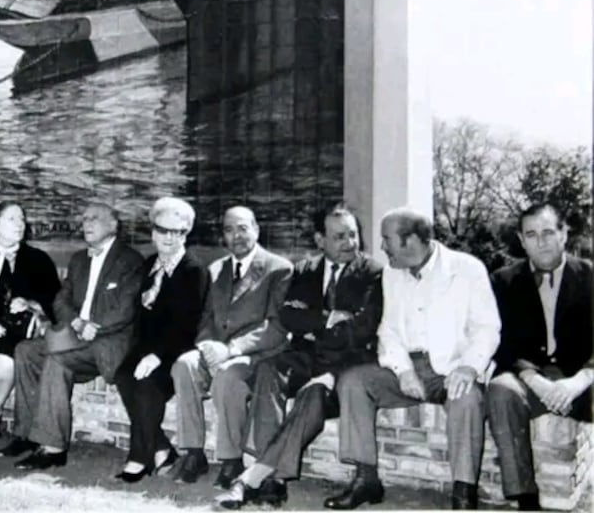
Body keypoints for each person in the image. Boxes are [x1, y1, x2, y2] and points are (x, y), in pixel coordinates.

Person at [323, 208, 500, 510]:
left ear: (411, 241)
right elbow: (389, 329)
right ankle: (366, 480)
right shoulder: (392, 273)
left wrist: (469, 367)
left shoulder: (467, 269)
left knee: (467, 399)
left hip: (453, 368)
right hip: (407, 367)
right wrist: (403, 370)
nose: (382, 247)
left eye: (387, 239)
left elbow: (487, 328)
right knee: (353, 381)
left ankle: (463, 493)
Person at [217, 202, 383, 509]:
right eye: (339, 236)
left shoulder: (371, 273)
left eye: (353, 234)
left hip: (344, 365)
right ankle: (270, 478)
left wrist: (313, 328)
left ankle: (260, 478)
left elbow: (361, 330)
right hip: (305, 358)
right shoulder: (305, 270)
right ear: (320, 240)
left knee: (313, 393)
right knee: (269, 370)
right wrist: (328, 319)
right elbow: (288, 316)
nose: (350, 242)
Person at [1, 204, 144, 469]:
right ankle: (27, 435)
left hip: (106, 342)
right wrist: (77, 322)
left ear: (113, 226)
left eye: (95, 218)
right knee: (26, 351)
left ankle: (53, 448)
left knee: (57, 361)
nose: (87, 223)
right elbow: (60, 301)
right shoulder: (79, 259)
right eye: (85, 218)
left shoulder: (131, 261)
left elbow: (126, 309)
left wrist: (95, 327)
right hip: (75, 334)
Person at [169, 206, 293, 487]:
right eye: (228, 230)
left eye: (242, 228)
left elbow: (277, 327)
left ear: (256, 230)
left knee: (227, 376)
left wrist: (232, 349)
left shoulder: (279, 269)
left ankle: (231, 459)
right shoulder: (217, 269)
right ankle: (193, 453)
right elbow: (206, 319)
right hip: (219, 350)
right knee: (184, 365)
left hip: (256, 356)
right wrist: (207, 346)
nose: (236, 236)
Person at [487, 203, 593, 511]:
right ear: (522, 240)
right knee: (501, 390)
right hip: (531, 377)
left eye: (548, 232)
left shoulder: (589, 276)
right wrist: (534, 380)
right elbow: (502, 343)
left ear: (564, 234)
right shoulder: (503, 281)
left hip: (582, 378)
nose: (541, 242)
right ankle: (525, 497)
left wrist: (579, 381)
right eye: (531, 235)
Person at [112, 198, 209, 482]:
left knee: (147, 385)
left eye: (177, 232)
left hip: (177, 351)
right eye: (163, 230)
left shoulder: (194, 270)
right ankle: (162, 448)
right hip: (147, 348)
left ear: (185, 234)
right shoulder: (149, 265)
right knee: (123, 376)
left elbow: (187, 325)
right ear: (153, 232)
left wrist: (157, 356)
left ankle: (139, 457)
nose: (169, 237)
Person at [0, 202, 60, 446]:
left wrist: (30, 303)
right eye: (12, 219)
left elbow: (55, 298)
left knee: (6, 361)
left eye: (22, 219)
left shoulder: (38, 259)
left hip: (17, 330)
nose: (20, 224)